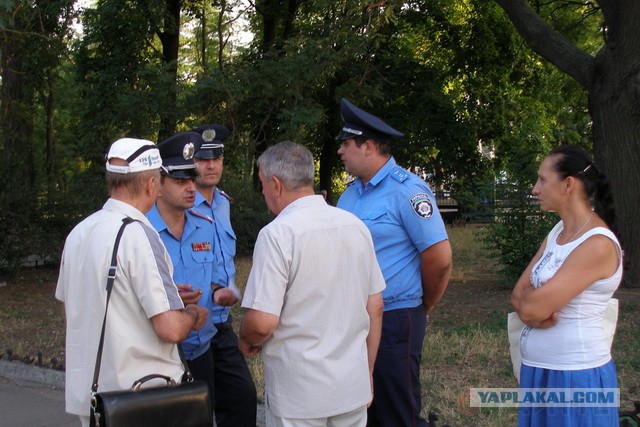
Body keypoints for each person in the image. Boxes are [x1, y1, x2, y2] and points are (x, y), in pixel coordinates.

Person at [55, 138, 208, 427]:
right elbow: (170, 328)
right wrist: (192, 315)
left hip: (95, 398)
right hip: (142, 394)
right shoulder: (139, 234)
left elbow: (75, 310)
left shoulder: (79, 232)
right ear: (151, 184)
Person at [239, 141, 385, 426]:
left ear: (276, 184)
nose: (263, 192)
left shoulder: (277, 234)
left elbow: (262, 322)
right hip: (350, 386)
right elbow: (375, 305)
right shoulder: (355, 226)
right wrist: (367, 371)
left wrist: (245, 339)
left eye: (262, 184)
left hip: (299, 393)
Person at [335, 98, 452, 426]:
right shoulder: (351, 194)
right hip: (354, 316)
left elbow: (439, 259)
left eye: (346, 144)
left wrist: (422, 303)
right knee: (362, 404)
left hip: (396, 317)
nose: (340, 152)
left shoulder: (408, 191)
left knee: (396, 406)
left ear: (368, 146)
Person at [511, 145, 623, 427]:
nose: (535, 189)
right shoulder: (558, 231)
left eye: (543, 180)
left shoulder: (597, 245)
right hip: (539, 370)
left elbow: (531, 304)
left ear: (568, 184)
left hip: (575, 376)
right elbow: (517, 295)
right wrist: (532, 311)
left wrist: (532, 309)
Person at [147, 131, 219, 418]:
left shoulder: (205, 225)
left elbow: (212, 278)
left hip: (201, 348)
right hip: (159, 353)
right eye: (180, 181)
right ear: (157, 186)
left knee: (202, 418)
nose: (191, 188)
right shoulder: (140, 232)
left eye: (192, 179)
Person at [191, 124, 257, 426]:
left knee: (242, 399)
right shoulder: (179, 206)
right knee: (197, 409)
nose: (211, 165)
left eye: (216, 158)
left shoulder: (223, 203)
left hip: (221, 322)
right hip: (191, 325)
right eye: (203, 159)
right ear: (191, 162)